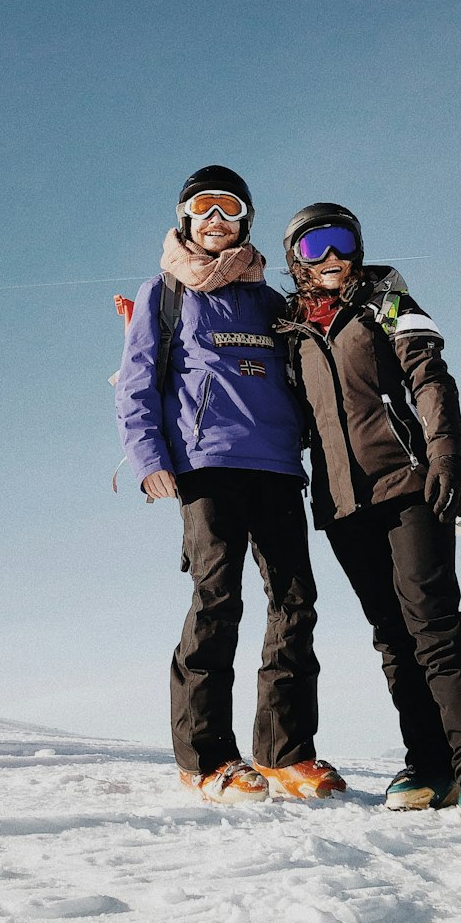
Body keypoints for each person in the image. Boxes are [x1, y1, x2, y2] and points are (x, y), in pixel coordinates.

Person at [278, 203, 461, 824]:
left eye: (341, 243)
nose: (332, 258)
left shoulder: (386, 300)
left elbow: (429, 376)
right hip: (340, 501)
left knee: (433, 622)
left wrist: (446, 455)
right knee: (391, 636)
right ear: (295, 261)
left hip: (410, 482)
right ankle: (429, 763)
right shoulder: (291, 331)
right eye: (315, 247)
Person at [115, 167, 346, 804]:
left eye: (230, 208)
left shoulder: (271, 302)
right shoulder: (163, 297)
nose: (216, 219)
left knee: (295, 601)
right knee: (217, 600)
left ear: (244, 220)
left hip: (276, 465)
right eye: (202, 208)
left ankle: (285, 752)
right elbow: (136, 389)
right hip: (205, 465)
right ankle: (206, 757)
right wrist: (148, 458)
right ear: (185, 220)